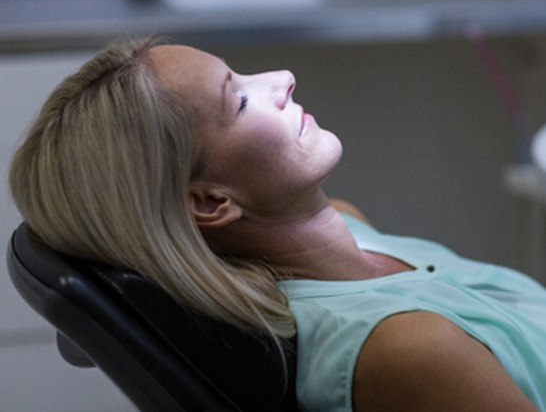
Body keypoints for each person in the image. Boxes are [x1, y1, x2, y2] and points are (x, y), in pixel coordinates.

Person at [9, 37, 546, 412]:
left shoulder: (350, 226)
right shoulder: (409, 349)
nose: (284, 78)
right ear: (211, 201)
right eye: (239, 101)